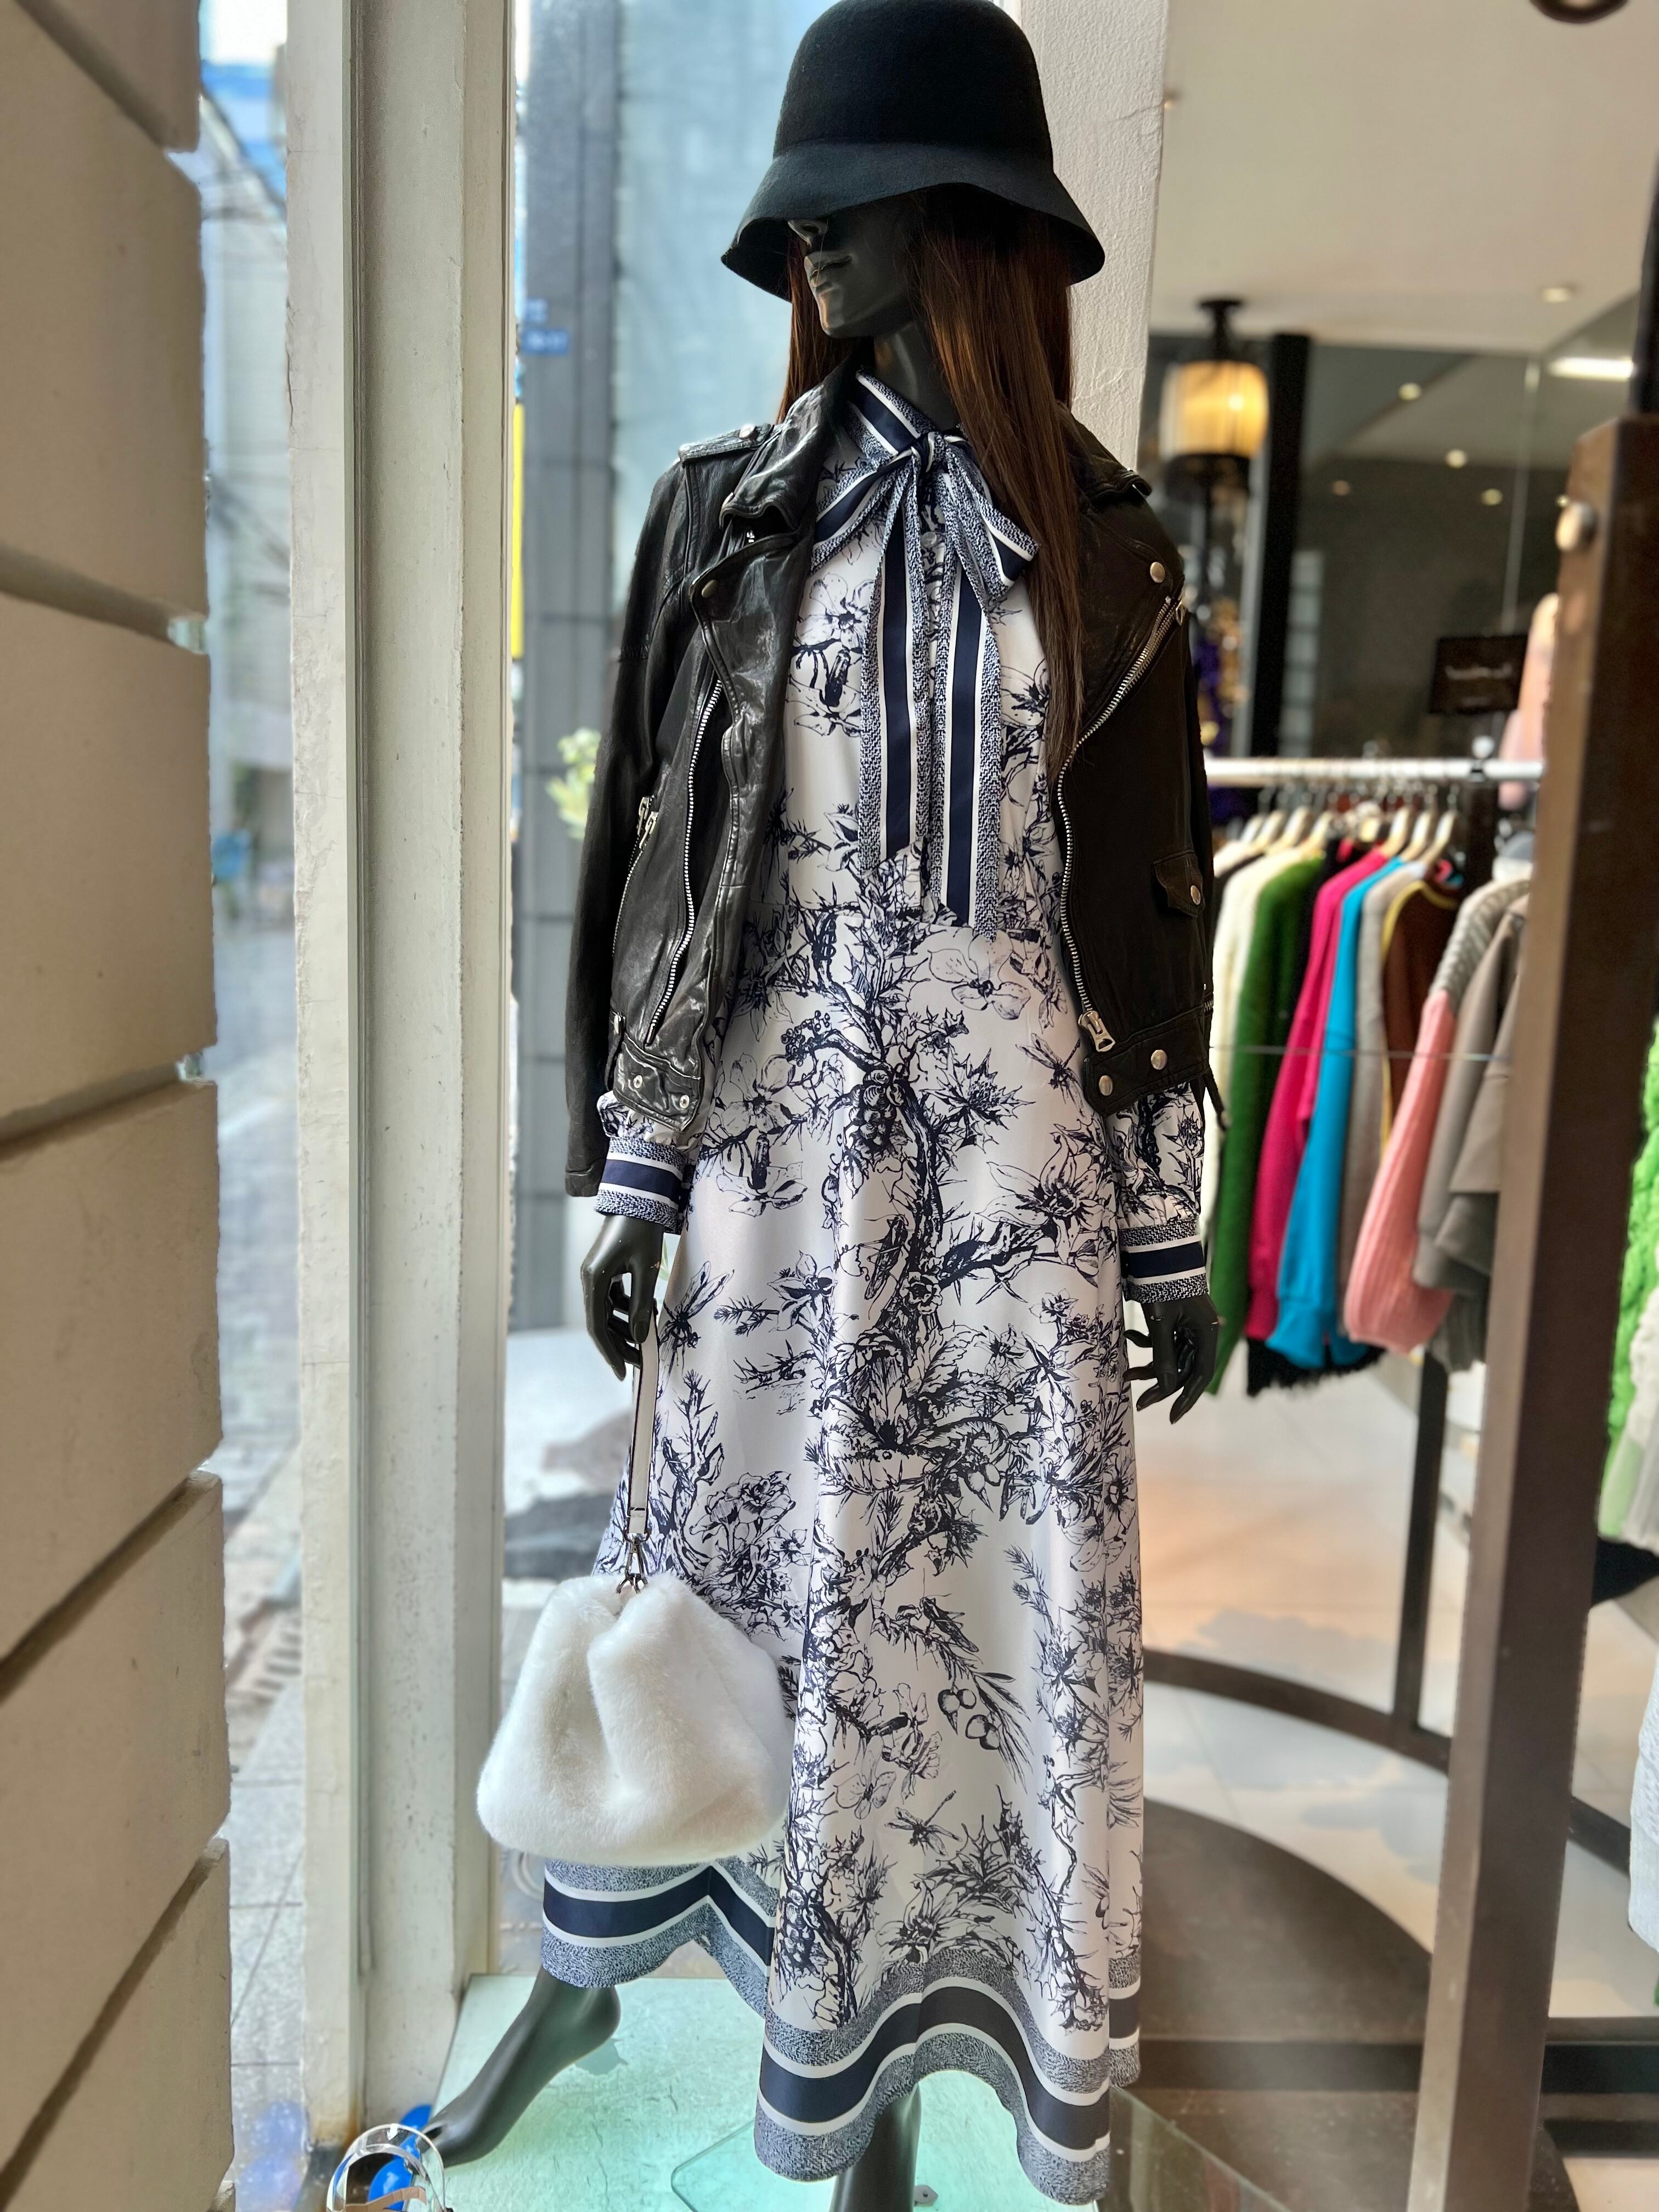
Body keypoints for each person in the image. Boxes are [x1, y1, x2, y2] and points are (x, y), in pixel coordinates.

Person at [435, 4, 1217, 2203]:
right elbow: (653, 878)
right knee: (723, 1587)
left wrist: (1169, 1223)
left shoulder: (1115, 550)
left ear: (954, 224)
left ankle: (894, 2075)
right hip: (776, 1167)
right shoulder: (721, 520)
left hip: (1020, 1185)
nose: (804, 247)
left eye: (841, 207)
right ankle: (632, 1994)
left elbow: (1154, 911)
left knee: (982, 1621)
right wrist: (637, 1172)